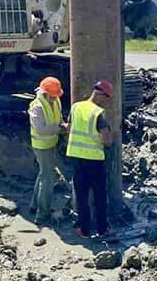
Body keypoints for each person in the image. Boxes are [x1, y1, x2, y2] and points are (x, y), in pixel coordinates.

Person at [66, 80, 114, 238]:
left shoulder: (76, 107)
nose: (106, 102)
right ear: (102, 96)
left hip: (76, 157)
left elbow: (69, 128)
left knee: (81, 195)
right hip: (94, 160)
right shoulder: (97, 113)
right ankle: (102, 229)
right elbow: (106, 140)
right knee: (100, 195)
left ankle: (83, 229)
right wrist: (110, 140)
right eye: (107, 99)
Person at [28, 76, 67, 225]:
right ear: (44, 93)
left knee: (44, 174)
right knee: (48, 178)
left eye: (56, 96)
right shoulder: (37, 106)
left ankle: (34, 205)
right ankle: (42, 214)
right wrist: (61, 129)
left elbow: (58, 118)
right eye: (52, 96)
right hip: (41, 145)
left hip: (51, 142)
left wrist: (63, 125)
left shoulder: (56, 100)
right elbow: (41, 129)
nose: (54, 98)